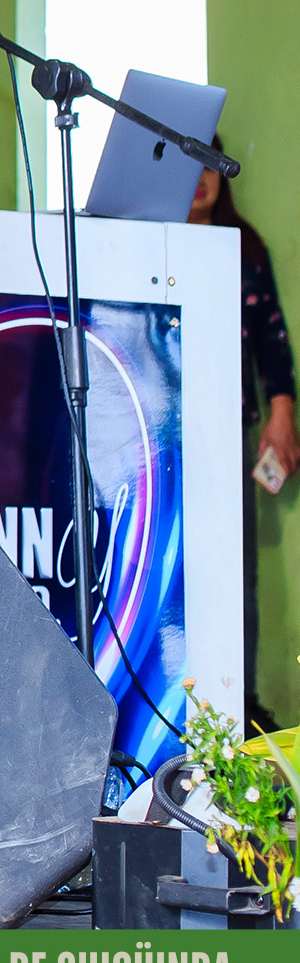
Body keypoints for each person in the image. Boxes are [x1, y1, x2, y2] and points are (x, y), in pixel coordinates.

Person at [189, 136, 296, 732]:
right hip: (169, 436)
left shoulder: (244, 247)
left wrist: (281, 415)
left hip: (232, 429)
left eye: (211, 166)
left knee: (238, 568)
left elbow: (273, 344)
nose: (202, 179)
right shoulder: (155, 243)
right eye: (190, 166)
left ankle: (241, 703)